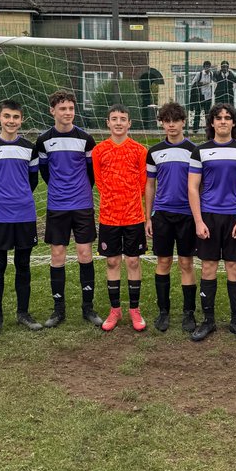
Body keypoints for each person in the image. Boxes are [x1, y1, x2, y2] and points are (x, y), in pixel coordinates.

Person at [187, 102, 236, 342]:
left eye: (228, 117)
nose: (223, 121)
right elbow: (193, 188)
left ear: (234, 123)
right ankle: (208, 321)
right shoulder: (200, 151)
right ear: (212, 123)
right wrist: (198, 221)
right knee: (208, 267)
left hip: (234, 217)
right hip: (208, 217)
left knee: (234, 268)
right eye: (219, 118)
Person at [36, 90, 101, 329]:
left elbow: (91, 173)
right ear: (52, 111)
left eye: (71, 109)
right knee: (57, 255)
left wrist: (79, 190)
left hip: (82, 205)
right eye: (62, 109)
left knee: (85, 253)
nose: (68, 113)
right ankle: (58, 309)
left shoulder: (86, 139)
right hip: (57, 206)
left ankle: (88, 308)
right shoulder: (43, 141)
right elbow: (44, 171)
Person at [0, 98, 42, 336]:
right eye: (7, 116)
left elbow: (33, 179)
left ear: (21, 120)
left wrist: (19, 196)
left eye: (15, 117)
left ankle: (23, 313)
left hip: (24, 214)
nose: (11, 121)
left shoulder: (29, 147)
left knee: (23, 265)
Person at [92, 104, 148, 332]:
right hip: (109, 217)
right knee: (113, 261)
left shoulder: (139, 150)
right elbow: (99, 181)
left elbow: (144, 183)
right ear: (108, 123)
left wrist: (129, 198)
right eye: (114, 118)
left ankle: (135, 310)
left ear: (129, 123)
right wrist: (114, 199)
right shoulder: (99, 151)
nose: (118, 122)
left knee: (133, 261)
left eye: (122, 119)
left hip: (134, 216)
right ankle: (115, 309)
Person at [145, 101, 198, 333]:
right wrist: (148, 217)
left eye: (176, 121)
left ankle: (189, 313)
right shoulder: (154, 152)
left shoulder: (195, 150)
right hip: (163, 215)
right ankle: (163, 311)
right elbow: (149, 186)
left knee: (187, 263)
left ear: (183, 122)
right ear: (162, 124)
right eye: (167, 121)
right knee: (163, 262)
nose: (172, 125)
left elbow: (201, 185)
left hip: (187, 215)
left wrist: (199, 217)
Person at [188, 62, 215, 132]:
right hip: (200, 96)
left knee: (208, 113)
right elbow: (193, 84)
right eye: (206, 66)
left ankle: (208, 129)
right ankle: (195, 129)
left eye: (208, 66)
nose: (207, 68)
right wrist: (202, 83)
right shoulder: (199, 74)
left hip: (208, 96)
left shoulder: (211, 74)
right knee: (197, 112)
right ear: (203, 67)